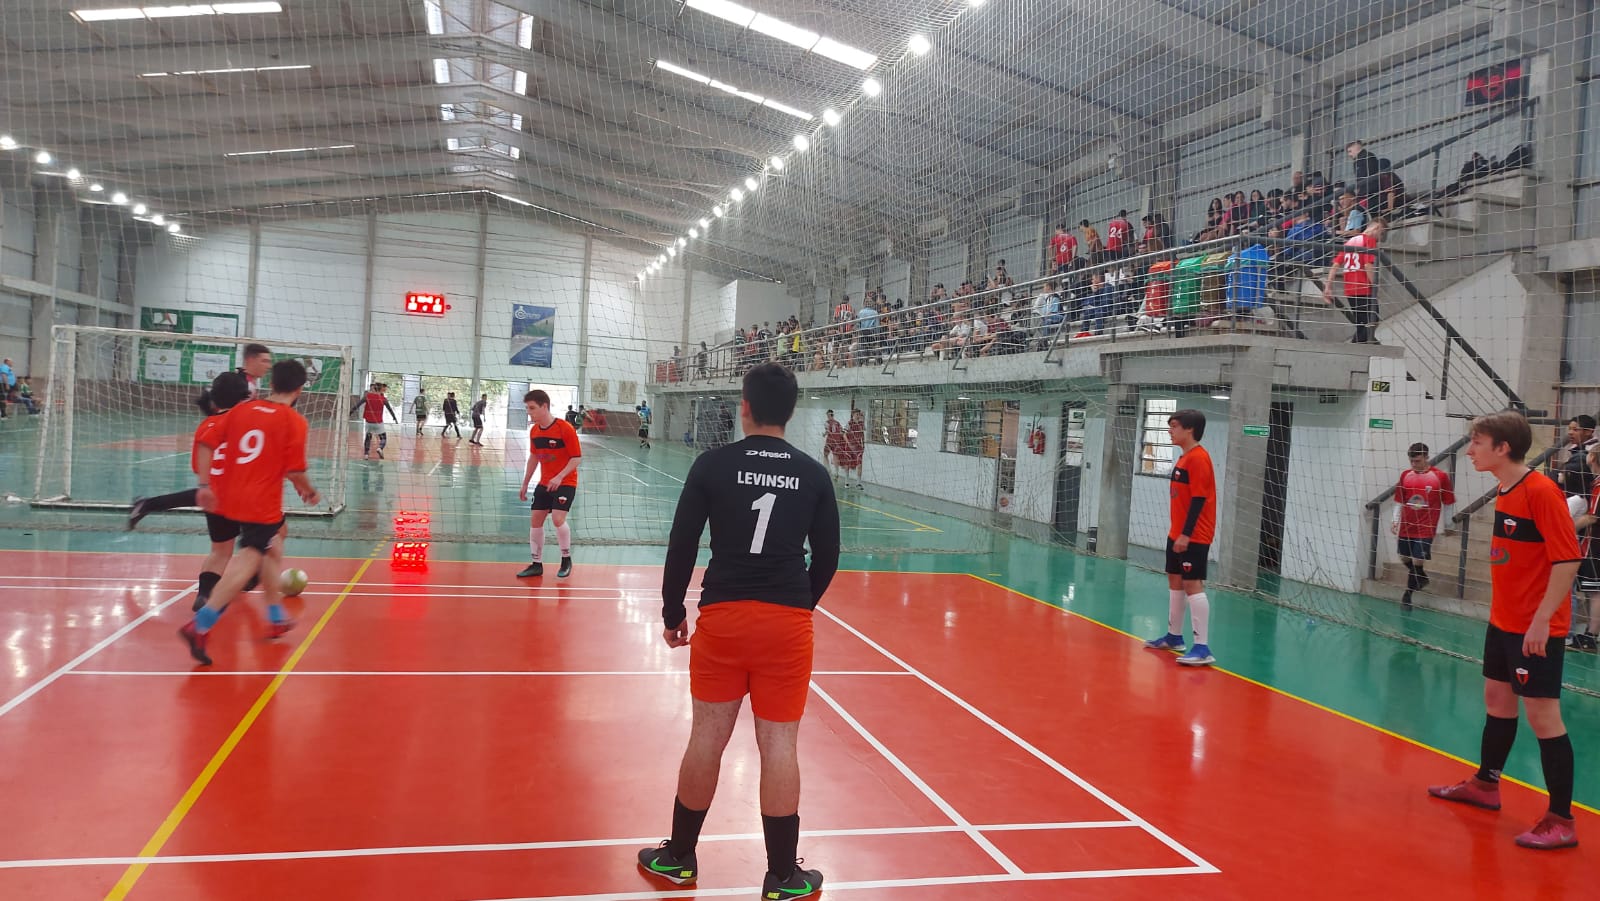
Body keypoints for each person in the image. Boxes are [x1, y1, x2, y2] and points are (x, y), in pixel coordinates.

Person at [637, 362, 841, 898]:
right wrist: (799, 605)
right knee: (779, 745)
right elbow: (829, 556)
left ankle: (679, 858)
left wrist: (672, 613)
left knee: (706, 737)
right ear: (791, 412)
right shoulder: (814, 474)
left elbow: (682, 544)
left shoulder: (712, 465)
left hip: (724, 618)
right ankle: (782, 877)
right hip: (787, 625)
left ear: (743, 406)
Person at [1427, 411, 1581, 850]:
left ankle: (1561, 819)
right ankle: (1486, 784)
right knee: (1497, 700)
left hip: (1536, 628)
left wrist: (1540, 621)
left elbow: (1566, 560)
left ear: (1503, 448)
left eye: (1477, 443)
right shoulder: (1505, 487)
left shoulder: (1541, 492)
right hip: (1504, 621)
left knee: (1543, 717)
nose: (1470, 450)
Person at [179, 360, 323, 666]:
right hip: (260, 502)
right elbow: (296, 469)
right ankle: (201, 623)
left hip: (229, 496)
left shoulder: (242, 410)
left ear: (271, 384)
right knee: (250, 557)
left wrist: (203, 484)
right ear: (299, 390)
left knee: (274, 545)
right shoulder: (293, 421)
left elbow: (206, 440)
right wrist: (308, 490)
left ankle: (274, 617)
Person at [129, 371, 261, 609]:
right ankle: (250, 577)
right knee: (260, 544)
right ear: (242, 399)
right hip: (242, 497)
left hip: (214, 498)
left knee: (220, 552)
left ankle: (205, 595)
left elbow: (197, 464)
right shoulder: (245, 425)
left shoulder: (207, 426)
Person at [1144, 409, 1217, 666]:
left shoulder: (1199, 459)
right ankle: (1174, 637)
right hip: (1177, 533)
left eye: (1174, 426)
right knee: (1175, 580)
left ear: (1190, 430)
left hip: (1194, 535)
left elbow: (1199, 499)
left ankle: (1202, 646)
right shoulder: (1184, 458)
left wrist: (1186, 534)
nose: (1170, 430)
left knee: (1192, 583)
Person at [517, 389, 581, 579]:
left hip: (566, 481)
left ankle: (566, 559)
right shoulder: (535, 431)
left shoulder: (564, 428)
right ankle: (536, 564)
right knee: (535, 520)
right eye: (527, 408)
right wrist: (525, 483)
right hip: (545, 483)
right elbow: (534, 457)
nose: (529, 412)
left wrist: (559, 477)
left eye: (532, 408)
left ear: (544, 406)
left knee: (557, 520)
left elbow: (576, 458)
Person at [1392, 442, 1456, 608]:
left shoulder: (1440, 477)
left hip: (1426, 527)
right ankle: (1421, 577)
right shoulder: (1406, 475)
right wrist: (1395, 520)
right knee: (1404, 557)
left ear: (1427, 457)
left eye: (1418, 461)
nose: (1414, 464)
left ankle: (1407, 595)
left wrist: (1449, 524)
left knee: (1418, 559)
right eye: (1412, 461)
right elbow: (1399, 500)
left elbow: (1448, 502)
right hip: (1407, 525)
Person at [1324, 217, 1386, 344]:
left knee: (1362, 323)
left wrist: (1328, 287)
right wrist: (1375, 286)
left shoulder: (1351, 241)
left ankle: (1367, 342)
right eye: (1381, 233)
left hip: (1350, 289)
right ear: (1376, 228)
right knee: (1372, 320)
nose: (1380, 237)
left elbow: (1335, 265)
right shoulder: (1369, 241)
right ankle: (1357, 345)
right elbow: (1368, 265)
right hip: (1364, 287)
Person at [1570, 444, 1600, 652]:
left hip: (1595, 547)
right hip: (1593, 545)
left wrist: (1565, 528)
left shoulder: (1599, 485)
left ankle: (1591, 635)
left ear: (1592, 458)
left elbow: (1592, 516)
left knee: (1595, 592)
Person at [1554, 415, 1596, 498]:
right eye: (1569, 429)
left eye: (1575, 429)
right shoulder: (1576, 448)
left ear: (1588, 432)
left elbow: (1567, 472)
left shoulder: (1592, 451)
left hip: (1583, 497)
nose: (1570, 432)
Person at [361, 382, 398, 460]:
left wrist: (350, 412)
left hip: (368, 422)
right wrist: (394, 417)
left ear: (374, 388)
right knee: (383, 438)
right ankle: (380, 448)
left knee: (368, 437)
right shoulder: (383, 399)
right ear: (381, 389)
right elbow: (390, 409)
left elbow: (357, 404)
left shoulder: (367, 396)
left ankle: (366, 454)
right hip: (378, 422)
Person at [822, 409, 844, 480]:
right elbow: (842, 431)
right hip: (837, 442)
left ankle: (828, 470)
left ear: (829, 415)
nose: (827, 416)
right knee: (835, 457)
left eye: (827, 415)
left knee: (825, 454)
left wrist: (824, 434)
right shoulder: (838, 423)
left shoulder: (827, 422)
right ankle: (836, 474)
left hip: (830, 441)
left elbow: (827, 431)